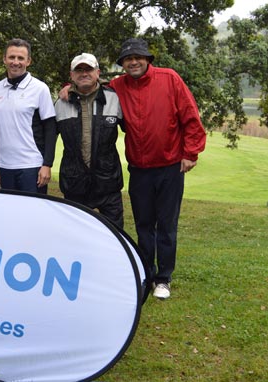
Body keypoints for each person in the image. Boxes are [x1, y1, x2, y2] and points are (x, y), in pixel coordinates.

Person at [111, 38, 206, 299]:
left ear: (147, 59)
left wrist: (191, 153)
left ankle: (163, 278)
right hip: (139, 169)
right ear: (123, 64)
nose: (133, 62)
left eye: (138, 57)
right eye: (128, 59)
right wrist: (67, 88)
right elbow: (90, 88)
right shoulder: (118, 86)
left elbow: (190, 116)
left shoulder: (170, 78)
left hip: (169, 167)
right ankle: (146, 275)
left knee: (165, 224)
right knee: (143, 225)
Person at [54, 53, 125, 229]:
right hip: (74, 184)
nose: (84, 73)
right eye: (79, 70)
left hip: (108, 183)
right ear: (71, 76)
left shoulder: (115, 99)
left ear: (98, 72)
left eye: (89, 69)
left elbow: (135, 129)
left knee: (115, 236)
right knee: (76, 236)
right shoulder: (60, 103)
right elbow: (46, 139)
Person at [0, 38, 57, 194]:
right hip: (5, 167)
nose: (15, 62)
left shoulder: (40, 89)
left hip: (32, 166)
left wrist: (47, 164)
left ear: (28, 61)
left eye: (20, 58)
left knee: (33, 215)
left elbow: (50, 128)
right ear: (4, 59)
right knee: (10, 215)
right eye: (11, 57)